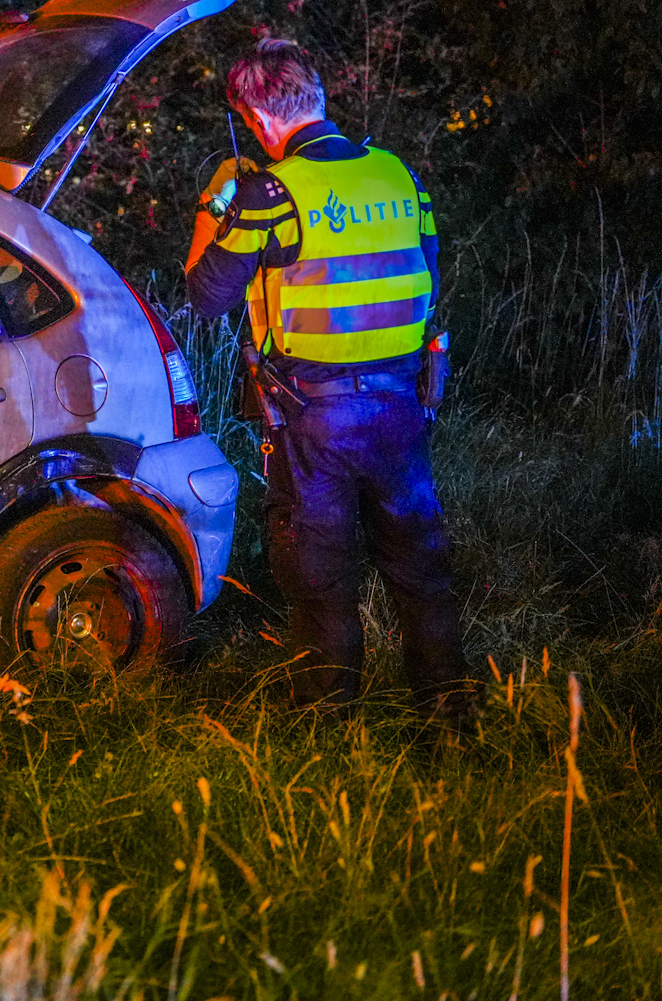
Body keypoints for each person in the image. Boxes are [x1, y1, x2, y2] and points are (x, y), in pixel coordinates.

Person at [185, 38, 469, 718]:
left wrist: (213, 203)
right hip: (402, 408)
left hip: (312, 417)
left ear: (257, 117)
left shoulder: (267, 194)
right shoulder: (397, 175)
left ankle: (327, 729)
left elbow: (205, 296)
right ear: (316, 96)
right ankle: (453, 719)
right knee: (422, 576)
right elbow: (426, 266)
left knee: (321, 582)